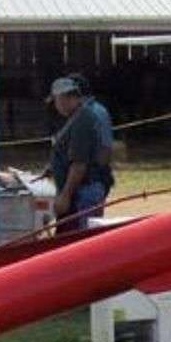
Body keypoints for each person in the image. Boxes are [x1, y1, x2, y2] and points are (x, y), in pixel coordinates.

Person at [47, 74, 114, 235]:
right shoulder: (76, 117)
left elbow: (79, 164)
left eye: (56, 101)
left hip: (83, 191)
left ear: (65, 99)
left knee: (79, 238)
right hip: (81, 189)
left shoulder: (83, 120)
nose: (56, 106)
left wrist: (65, 195)